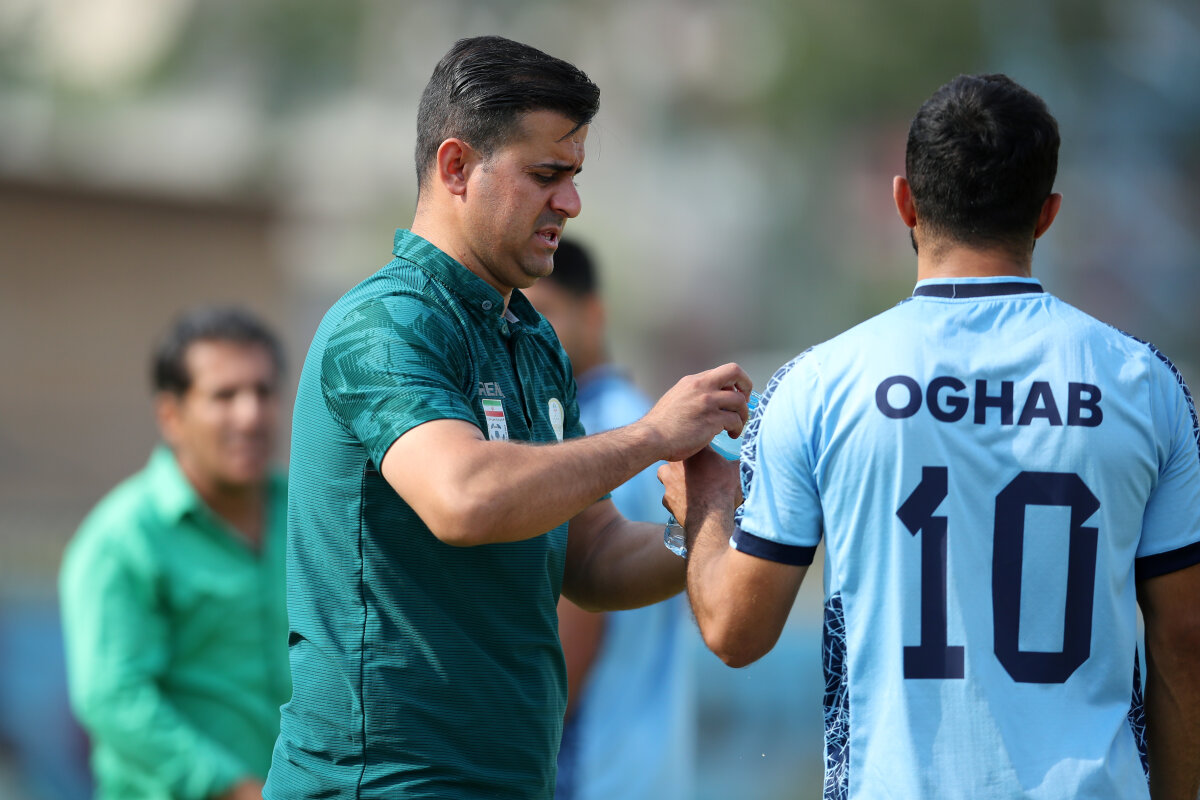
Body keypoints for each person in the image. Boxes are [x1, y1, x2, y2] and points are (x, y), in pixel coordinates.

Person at [661, 73, 1200, 800]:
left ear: (904, 203)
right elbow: (1184, 637)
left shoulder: (818, 385)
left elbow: (735, 630)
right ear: (1047, 214)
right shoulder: (1146, 384)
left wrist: (701, 506)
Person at [263, 35, 750, 800]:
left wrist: (719, 520)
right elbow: (465, 497)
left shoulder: (531, 339)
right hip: (382, 787)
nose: (571, 204)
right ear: (457, 167)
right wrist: (653, 436)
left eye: (575, 177)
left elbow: (590, 557)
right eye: (546, 175)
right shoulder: (386, 325)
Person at [60, 306, 291, 800]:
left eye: (263, 392)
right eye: (224, 396)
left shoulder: (312, 515)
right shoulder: (124, 540)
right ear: (171, 415)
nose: (250, 415)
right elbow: (113, 699)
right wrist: (235, 789)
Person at [523, 239, 695, 800]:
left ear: (593, 315)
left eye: (545, 311)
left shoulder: (594, 437)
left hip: (587, 771)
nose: (527, 329)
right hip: (649, 772)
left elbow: (572, 628)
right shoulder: (637, 419)